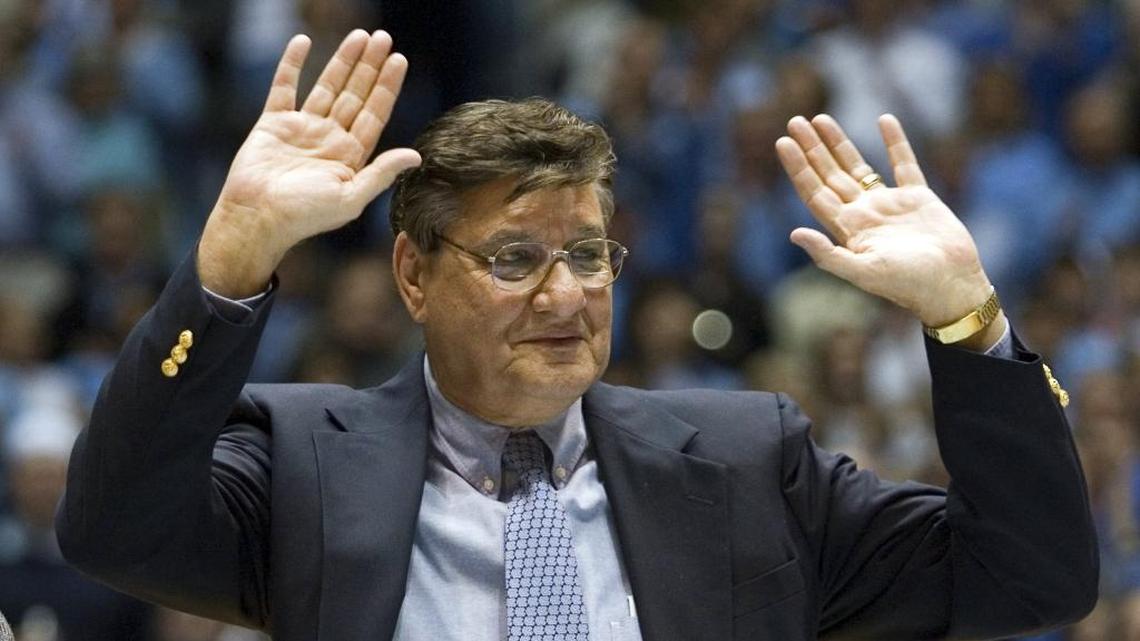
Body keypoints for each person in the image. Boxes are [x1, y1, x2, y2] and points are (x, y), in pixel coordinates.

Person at [56, 29, 1096, 640]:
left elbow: (1032, 574)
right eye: (514, 259)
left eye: (589, 255)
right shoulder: (302, 460)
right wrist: (229, 266)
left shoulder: (746, 460)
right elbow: (112, 528)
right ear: (413, 275)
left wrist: (969, 320)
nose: (566, 296)